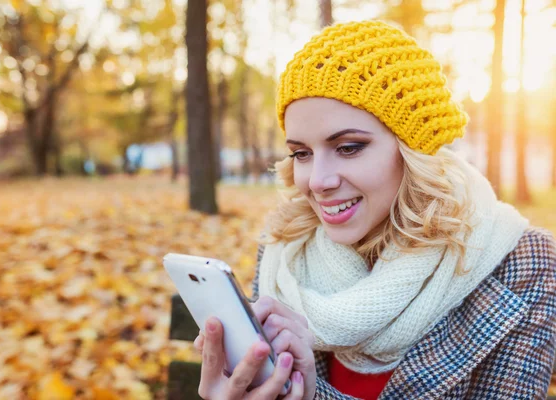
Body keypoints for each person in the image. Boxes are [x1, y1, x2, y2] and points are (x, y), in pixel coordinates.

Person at [193, 20, 556, 399]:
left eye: (348, 147)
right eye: (302, 153)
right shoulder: (285, 249)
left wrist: (309, 395)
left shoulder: (520, 262)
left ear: (412, 150)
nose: (317, 181)